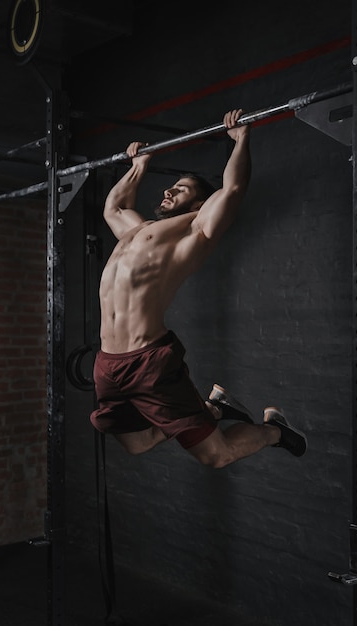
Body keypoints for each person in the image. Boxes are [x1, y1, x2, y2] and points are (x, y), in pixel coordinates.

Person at [90, 109, 307, 467]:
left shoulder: (194, 232)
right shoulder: (137, 231)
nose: (169, 189)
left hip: (148, 362)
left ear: (199, 204)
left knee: (216, 455)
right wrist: (139, 167)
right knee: (136, 444)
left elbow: (233, 189)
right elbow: (113, 206)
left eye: (182, 188)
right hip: (108, 363)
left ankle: (274, 431)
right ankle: (214, 410)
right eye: (171, 185)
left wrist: (241, 140)